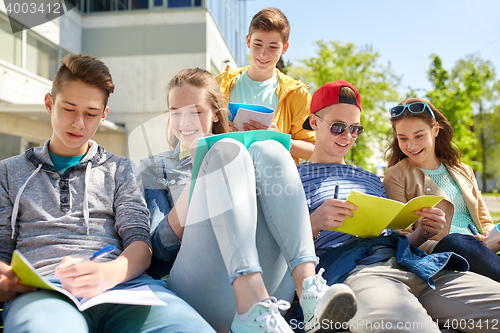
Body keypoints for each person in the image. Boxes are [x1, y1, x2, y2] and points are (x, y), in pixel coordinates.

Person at [0, 54, 216, 333]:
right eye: (68, 109)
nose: (79, 123)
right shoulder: (7, 173)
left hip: (122, 288)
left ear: (104, 115)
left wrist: (107, 274)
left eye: (90, 114)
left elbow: (140, 244)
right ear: (49, 104)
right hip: (45, 292)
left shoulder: (120, 170)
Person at [140, 68, 357, 333]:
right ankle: (249, 302)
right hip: (200, 289)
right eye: (176, 112)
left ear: (215, 114)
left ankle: (309, 288)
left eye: (196, 111)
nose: (184, 121)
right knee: (226, 152)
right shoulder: (155, 167)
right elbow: (156, 254)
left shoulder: (241, 153)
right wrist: (197, 185)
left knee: (271, 149)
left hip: (273, 294)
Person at [296, 80, 500, 332]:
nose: (348, 136)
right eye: (338, 127)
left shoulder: (370, 178)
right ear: (314, 122)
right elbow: (276, 247)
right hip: (358, 271)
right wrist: (314, 222)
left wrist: (422, 232)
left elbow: (395, 235)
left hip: (416, 263)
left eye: (355, 129)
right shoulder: (293, 178)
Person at [383, 98, 500, 282]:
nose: (411, 145)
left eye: (419, 136)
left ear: (435, 130)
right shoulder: (395, 176)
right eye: (403, 138)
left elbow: (485, 221)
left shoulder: (463, 170)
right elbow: (401, 239)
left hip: (482, 252)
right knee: (455, 241)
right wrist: (423, 231)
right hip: (442, 254)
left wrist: (488, 234)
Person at [216, 7, 315, 163]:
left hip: (274, 181)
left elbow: (313, 150)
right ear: (248, 41)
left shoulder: (296, 93)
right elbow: (199, 134)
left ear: (285, 48)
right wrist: (219, 130)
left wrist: (278, 140)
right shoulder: (220, 84)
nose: (263, 53)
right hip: (228, 175)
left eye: (273, 47)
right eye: (258, 44)